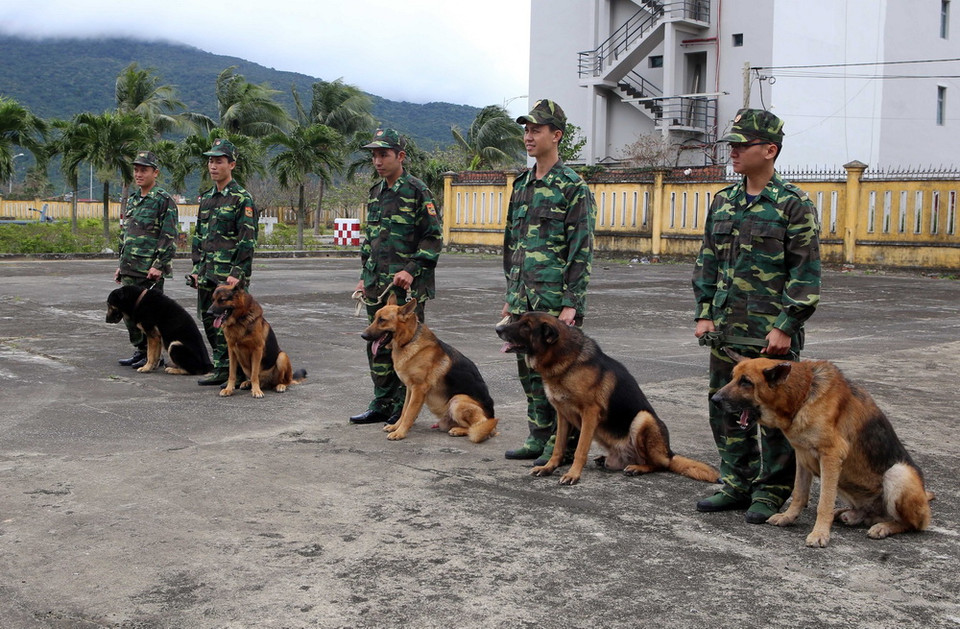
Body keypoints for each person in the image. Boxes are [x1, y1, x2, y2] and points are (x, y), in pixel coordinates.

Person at [692, 108, 821, 524]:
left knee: (777, 417)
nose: (733, 151)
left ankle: (772, 490)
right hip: (726, 332)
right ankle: (737, 482)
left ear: (769, 150)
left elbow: (806, 273)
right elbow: (707, 261)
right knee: (725, 407)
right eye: (731, 144)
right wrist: (705, 313)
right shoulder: (724, 201)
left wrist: (787, 326)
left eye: (741, 144)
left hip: (771, 337)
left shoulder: (792, 204)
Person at [501, 99, 596, 465]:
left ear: (556, 136)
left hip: (555, 301)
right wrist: (511, 295)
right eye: (526, 129)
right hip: (524, 299)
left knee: (562, 380)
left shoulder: (572, 186)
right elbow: (513, 244)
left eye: (536, 130)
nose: (528, 136)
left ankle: (564, 447)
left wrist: (573, 302)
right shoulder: (522, 184)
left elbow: (581, 249)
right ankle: (538, 437)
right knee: (529, 374)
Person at [349, 128, 443, 425]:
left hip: (407, 291)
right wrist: (365, 277)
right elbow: (370, 242)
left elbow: (433, 238)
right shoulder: (376, 193)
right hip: (378, 287)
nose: (378, 160)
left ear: (400, 156)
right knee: (375, 344)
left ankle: (403, 408)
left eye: (384, 154)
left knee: (409, 350)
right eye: (374, 155)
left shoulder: (418, 191)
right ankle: (381, 402)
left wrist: (411, 270)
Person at [190, 138, 258, 386]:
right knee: (209, 319)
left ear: (232, 165)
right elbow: (199, 236)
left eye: (219, 161)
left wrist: (237, 273)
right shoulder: (207, 198)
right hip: (208, 273)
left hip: (229, 278)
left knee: (236, 325)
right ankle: (222, 367)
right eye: (210, 161)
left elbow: (247, 238)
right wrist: (197, 269)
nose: (213, 166)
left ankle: (241, 372)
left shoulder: (241, 198)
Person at [114, 150, 179, 368]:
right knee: (128, 314)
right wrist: (120, 265)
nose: (139, 174)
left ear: (155, 172)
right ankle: (140, 350)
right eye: (136, 169)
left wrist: (159, 265)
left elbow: (168, 236)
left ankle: (154, 356)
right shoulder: (133, 200)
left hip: (149, 269)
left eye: (144, 170)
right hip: (130, 267)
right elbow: (126, 235)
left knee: (149, 316)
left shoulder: (163, 200)